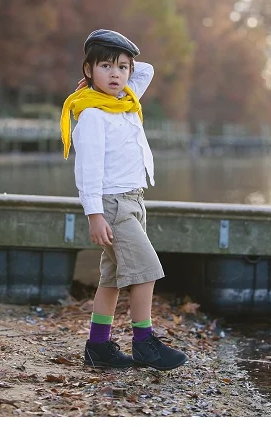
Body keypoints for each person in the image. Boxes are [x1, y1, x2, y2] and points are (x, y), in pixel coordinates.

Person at [60, 29, 187, 370]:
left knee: (113, 278)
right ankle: (144, 341)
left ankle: (98, 346)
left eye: (122, 67)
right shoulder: (91, 115)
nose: (116, 74)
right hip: (112, 204)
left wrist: (121, 57)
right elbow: (87, 171)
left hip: (134, 200)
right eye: (105, 66)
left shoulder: (125, 100)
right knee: (145, 270)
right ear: (88, 70)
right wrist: (94, 215)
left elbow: (146, 70)